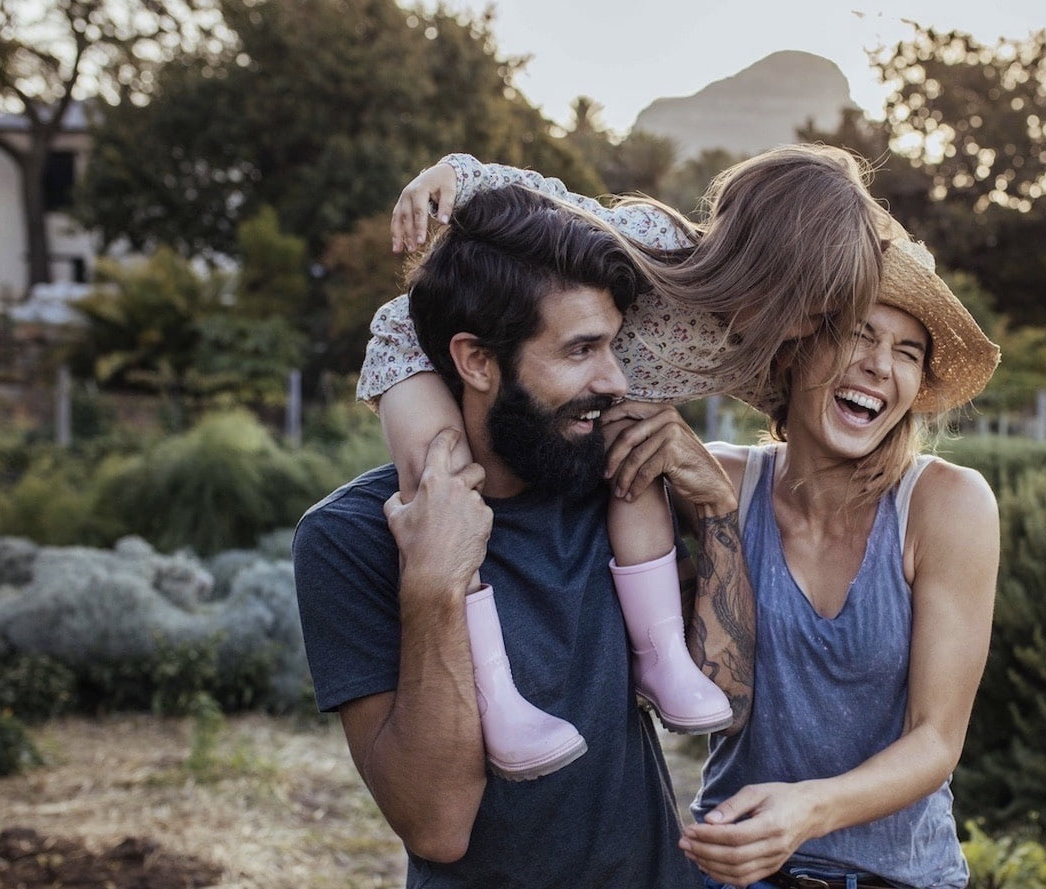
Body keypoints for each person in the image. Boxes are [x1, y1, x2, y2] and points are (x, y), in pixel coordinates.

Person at [365, 145, 891, 772]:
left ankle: (660, 656)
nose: (805, 328)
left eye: (823, 316)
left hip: (588, 398)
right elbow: (547, 199)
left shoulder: (756, 343)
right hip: (418, 346)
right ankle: (493, 694)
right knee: (441, 482)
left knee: (639, 456)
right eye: (804, 307)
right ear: (758, 263)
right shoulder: (654, 243)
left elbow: (815, 401)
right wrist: (455, 175)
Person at [293, 185, 754, 886]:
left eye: (612, 344)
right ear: (477, 361)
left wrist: (715, 504)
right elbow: (437, 827)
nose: (615, 378)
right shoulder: (348, 538)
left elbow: (731, 698)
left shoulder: (612, 485)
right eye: (581, 349)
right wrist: (434, 583)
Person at [672, 237, 1003, 889]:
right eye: (858, 333)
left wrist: (809, 810)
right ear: (792, 348)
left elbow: (936, 739)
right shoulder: (720, 483)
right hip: (733, 870)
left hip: (897, 878)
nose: (880, 365)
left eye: (908, 351)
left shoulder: (945, 506)